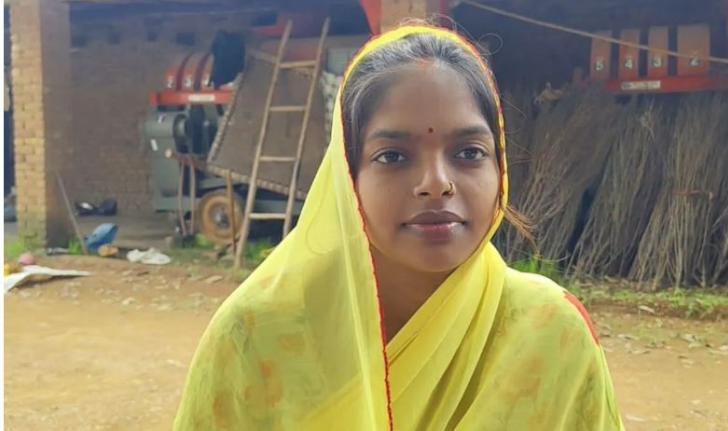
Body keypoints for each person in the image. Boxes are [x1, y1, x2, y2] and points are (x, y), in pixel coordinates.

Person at [173, 24, 624, 430]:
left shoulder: (549, 333)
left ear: (500, 166)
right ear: (348, 177)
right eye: (392, 156)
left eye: (469, 152)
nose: (436, 183)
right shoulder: (256, 336)